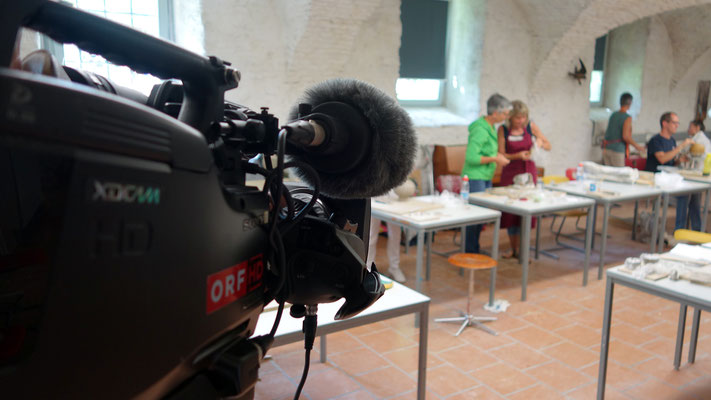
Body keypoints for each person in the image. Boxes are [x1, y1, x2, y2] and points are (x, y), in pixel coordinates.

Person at [497, 100, 551, 258]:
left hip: (528, 173)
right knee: (511, 213)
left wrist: (540, 143)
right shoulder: (503, 130)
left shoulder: (531, 127)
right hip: (510, 173)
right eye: (517, 118)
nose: (520, 121)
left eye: (523, 117)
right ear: (510, 118)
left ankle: (522, 250)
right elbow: (501, 154)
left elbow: (548, 145)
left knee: (526, 211)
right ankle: (514, 249)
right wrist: (517, 155)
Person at [462, 94, 511, 253]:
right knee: (474, 216)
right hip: (476, 176)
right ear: (495, 112)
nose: (506, 116)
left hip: (484, 176)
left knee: (480, 216)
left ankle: (474, 248)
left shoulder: (491, 127)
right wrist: (495, 158)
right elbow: (472, 157)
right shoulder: (480, 128)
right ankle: (470, 250)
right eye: (504, 113)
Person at [644, 112, 694, 237]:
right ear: (664, 123)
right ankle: (679, 231)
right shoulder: (655, 141)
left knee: (693, 194)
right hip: (656, 180)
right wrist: (681, 146)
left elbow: (671, 161)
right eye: (674, 122)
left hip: (669, 178)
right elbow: (662, 159)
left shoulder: (671, 141)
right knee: (683, 196)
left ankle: (693, 229)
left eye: (678, 123)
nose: (677, 125)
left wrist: (679, 160)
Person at [675, 120, 710, 231]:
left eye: (690, 127)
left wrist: (685, 153)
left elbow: (690, 152)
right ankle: (697, 228)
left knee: (684, 198)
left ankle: (680, 228)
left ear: (697, 127)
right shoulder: (698, 138)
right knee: (695, 201)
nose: (688, 129)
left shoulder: (698, 140)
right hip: (696, 174)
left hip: (696, 174)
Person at [366, 191, 406, 282]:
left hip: (393, 199)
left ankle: (394, 267)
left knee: (395, 234)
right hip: (373, 197)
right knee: (371, 235)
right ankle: (368, 268)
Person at [603, 92, 645, 166]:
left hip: (606, 148)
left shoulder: (613, 115)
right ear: (630, 103)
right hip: (617, 151)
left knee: (609, 174)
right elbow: (625, 136)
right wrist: (637, 146)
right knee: (619, 175)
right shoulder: (627, 117)